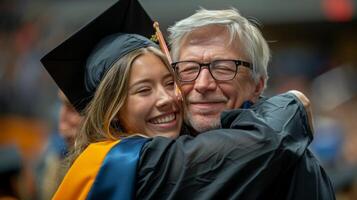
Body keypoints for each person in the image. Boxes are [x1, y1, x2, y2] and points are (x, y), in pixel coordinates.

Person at [40, 0, 333, 199]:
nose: (203, 84)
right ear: (113, 110)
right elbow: (264, 140)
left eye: (223, 67)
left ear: (258, 86)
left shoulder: (296, 164)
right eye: (189, 69)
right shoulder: (127, 163)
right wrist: (290, 103)